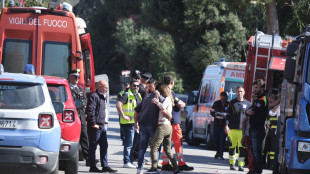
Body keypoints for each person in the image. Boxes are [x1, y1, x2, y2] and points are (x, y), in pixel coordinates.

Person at [161, 74, 194, 172]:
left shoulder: (162, 91)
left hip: (166, 121)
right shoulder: (171, 92)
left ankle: (165, 163)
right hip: (173, 122)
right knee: (178, 141)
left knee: (167, 143)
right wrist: (183, 104)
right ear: (172, 82)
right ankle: (181, 163)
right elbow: (179, 104)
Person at [147, 85, 180, 174]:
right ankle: (176, 168)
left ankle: (154, 168)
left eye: (161, 93)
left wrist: (157, 102)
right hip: (168, 126)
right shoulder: (169, 99)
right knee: (168, 149)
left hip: (163, 126)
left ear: (163, 92)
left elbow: (163, 107)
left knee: (154, 146)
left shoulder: (168, 99)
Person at [86, 80, 117, 173]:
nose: (107, 89)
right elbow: (90, 111)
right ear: (99, 86)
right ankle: (92, 166)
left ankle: (105, 166)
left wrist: (104, 121)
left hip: (102, 125)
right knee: (93, 146)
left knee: (104, 146)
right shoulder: (94, 96)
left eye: (107, 88)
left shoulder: (103, 96)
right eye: (105, 87)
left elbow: (103, 111)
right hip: (95, 126)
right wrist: (93, 123)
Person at [134, 79, 163, 174]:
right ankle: (154, 168)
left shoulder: (146, 97)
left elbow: (136, 111)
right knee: (156, 147)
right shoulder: (158, 96)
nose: (148, 88)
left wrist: (136, 123)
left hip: (142, 124)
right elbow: (164, 107)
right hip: (152, 125)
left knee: (142, 147)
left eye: (150, 86)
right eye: (148, 86)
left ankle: (139, 169)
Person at [116, 80, 142, 168]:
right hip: (128, 123)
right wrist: (123, 116)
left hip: (135, 123)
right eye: (134, 85)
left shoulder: (138, 95)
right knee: (129, 144)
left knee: (134, 144)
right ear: (130, 86)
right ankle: (126, 161)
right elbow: (118, 104)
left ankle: (130, 161)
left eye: (138, 86)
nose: (136, 87)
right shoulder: (126, 94)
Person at [225, 86, 251, 171]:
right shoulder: (232, 103)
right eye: (238, 91)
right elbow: (228, 116)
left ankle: (240, 165)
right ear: (236, 92)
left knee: (242, 148)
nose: (239, 93)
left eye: (241, 91)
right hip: (232, 129)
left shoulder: (248, 104)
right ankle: (232, 164)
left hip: (242, 131)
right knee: (232, 147)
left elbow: (250, 118)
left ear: (244, 93)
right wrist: (226, 125)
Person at [245, 79, 268, 174]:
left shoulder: (262, 100)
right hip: (254, 128)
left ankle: (257, 171)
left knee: (256, 151)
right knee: (253, 151)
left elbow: (251, 112)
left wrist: (246, 111)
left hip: (258, 129)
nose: (254, 89)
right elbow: (250, 110)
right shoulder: (257, 99)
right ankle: (254, 169)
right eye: (254, 87)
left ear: (262, 88)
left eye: (256, 87)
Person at [68, 68, 89, 165]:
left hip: (81, 115)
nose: (77, 79)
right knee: (72, 137)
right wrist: (78, 104)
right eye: (75, 77)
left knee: (84, 135)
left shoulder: (80, 89)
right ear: (70, 77)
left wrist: (83, 103)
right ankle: (71, 157)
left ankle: (88, 158)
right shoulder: (67, 88)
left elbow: (85, 99)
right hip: (72, 115)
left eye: (78, 77)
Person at [263, 90, 280, 170]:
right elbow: (270, 114)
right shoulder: (268, 106)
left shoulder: (277, 107)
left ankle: (271, 164)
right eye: (271, 98)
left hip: (273, 130)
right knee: (265, 147)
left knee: (272, 148)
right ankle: (265, 162)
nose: (272, 100)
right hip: (268, 130)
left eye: (274, 98)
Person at [210, 91, 230, 160]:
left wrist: (223, 115)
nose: (223, 97)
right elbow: (212, 111)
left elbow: (229, 114)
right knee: (216, 139)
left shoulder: (228, 104)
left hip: (224, 125)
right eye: (222, 96)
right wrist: (215, 114)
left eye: (225, 96)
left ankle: (221, 154)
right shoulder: (216, 103)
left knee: (222, 140)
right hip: (216, 124)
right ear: (220, 96)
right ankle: (217, 152)